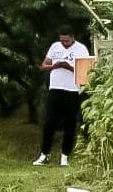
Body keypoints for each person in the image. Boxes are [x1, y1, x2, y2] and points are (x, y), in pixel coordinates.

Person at [32, 26, 90, 167]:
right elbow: (44, 65)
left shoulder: (81, 49)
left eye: (67, 41)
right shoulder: (55, 47)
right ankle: (44, 154)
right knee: (49, 123)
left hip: (72, 90)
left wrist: (68, 66)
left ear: (72, 37)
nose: (64, 43)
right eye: (62, 40)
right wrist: (55, 66)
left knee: (70, 124)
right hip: (55, 88)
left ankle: (65, 156)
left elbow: (86, 71)